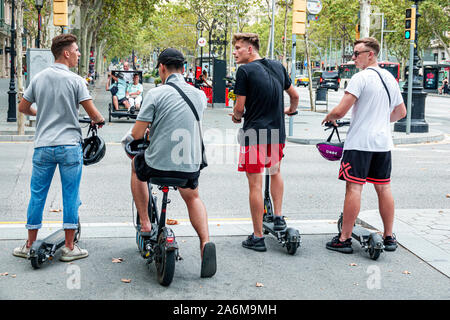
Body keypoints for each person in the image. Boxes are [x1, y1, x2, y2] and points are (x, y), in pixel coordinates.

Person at [13, 34, 105, 262]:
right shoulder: (76, 80)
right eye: (76, 50)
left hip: (43, 146)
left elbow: (23, 107)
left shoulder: (40, 77)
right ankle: (69, 247)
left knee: (37, 195)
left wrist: (41, 113)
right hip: (69, 146)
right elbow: (94, 114)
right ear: (66, 53)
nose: (79, 53)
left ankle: (29, 245)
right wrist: (98, 119)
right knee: (70, 196)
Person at [125, 48, 216, 277]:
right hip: (189, 166)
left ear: (162, 68)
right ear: (184, 69)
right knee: (193, 196)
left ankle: (145, 224)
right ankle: (205, 243)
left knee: (137, 168)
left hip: (157, 166)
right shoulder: (199, 96)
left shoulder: (155, 94)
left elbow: (137, 134)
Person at [321, 37, 406, 254]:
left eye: (357, 53)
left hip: (359, 143)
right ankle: (389, 237)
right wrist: (378, 121)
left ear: (371, 54)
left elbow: (341, 111)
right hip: (383, 143)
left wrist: (329, 116)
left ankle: (344, 238)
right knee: (383, 187)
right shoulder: (390, 78)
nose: (353, 57)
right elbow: (401, 112)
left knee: (354, 187)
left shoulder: (360, 78)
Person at [230, 33, 299, 252]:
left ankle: (258, 236)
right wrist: (290, 111)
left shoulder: (244, 71)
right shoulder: (278, 66)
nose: (235, 52)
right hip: (277, 131)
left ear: (250, 49)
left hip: (254, 133)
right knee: (275, 172)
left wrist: (236, 117)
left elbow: (240, 107)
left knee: (255, 184)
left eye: (238, 48)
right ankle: (278, 217)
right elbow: (294, 95)